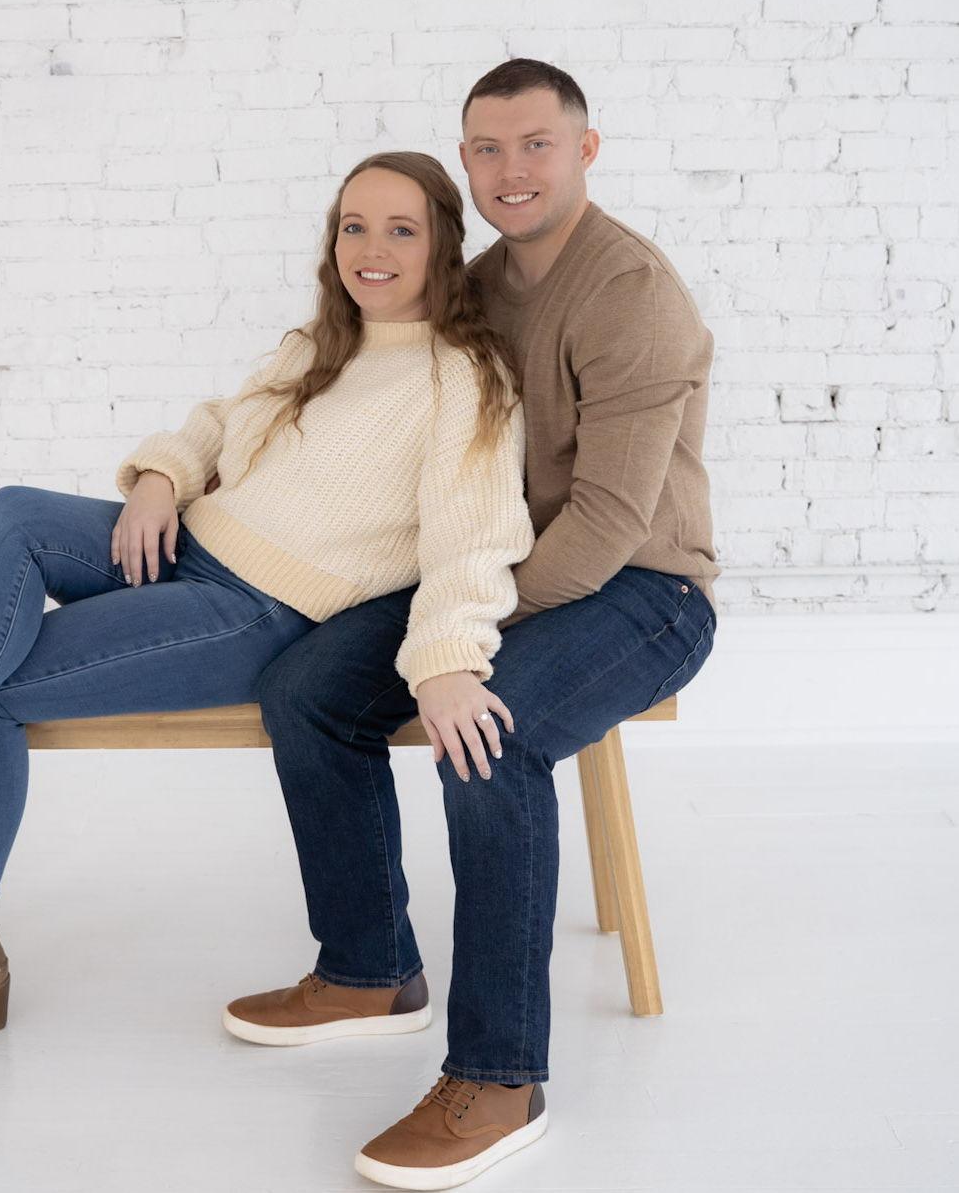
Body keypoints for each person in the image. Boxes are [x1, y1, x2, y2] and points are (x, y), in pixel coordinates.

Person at [0, 150, 535, 1058]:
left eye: (400, 230)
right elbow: (216, 424)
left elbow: (472, 538)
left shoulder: (463, 379)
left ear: (443, 244)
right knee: (16, 514)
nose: (371, 249)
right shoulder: (320, 345)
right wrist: (162, 480)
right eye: (352, 227)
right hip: (184, 543)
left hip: (249, 610)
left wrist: (447, 659)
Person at [226, 59, 719, 1191]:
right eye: (487, 149)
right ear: (465, 161)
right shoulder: (478, 285)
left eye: (536, 144)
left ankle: (499, 1077)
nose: (511, 170)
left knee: (485, 738)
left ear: (584, 151)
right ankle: (367, 971)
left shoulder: (632, 293)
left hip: (644, 592)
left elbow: (609, 521)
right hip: (501, 575)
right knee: (306, 688)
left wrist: (463, 646)